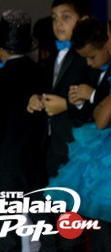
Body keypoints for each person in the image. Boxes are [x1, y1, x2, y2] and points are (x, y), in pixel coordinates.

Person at [27, 0, 94, 252]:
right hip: (53, 150)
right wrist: (37, 100)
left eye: (66, 17)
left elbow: (97, 103)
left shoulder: (88, 56)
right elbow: (52, 94)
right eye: (54, 18)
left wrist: (66, 105)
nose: (58, 24)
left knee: (72, 228)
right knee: (51, 224)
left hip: (77, 150)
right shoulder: (54, 58)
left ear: (84, 20)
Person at [0, 10, 48, 252]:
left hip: (8, 161)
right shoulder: (41, 72)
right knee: (44, 222)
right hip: (38, 157)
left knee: (9, 225)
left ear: (0, 49)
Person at [51, 17, 111, 250]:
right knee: (98, 228)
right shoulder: (99, 72)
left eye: (91, 57)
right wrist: (84, 101)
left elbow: (102, 119)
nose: (89, 63)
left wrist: (93, 97)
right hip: (99, 159)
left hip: (105, 160)